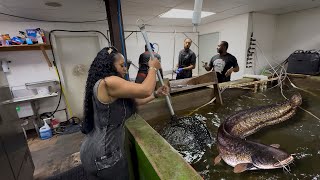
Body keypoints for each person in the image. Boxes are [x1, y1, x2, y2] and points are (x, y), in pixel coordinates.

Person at [80, 47, 169, 180]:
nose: (125, 69)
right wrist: (153, 68)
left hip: (94, 151)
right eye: (122, 65)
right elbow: (144, 90)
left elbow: (134, 101)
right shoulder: (108, 82)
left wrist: (156, 94)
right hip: (105, 156)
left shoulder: (107, 85)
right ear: (109, 65)